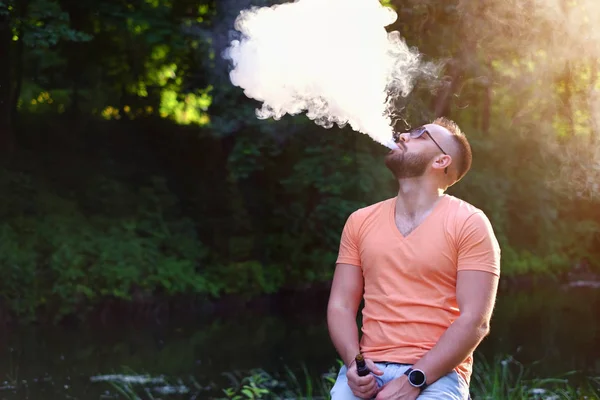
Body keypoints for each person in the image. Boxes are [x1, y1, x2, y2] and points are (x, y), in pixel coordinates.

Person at [327, 117, 501, 400]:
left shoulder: (470, 223)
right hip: (367, 371)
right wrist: (353, 364)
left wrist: (414, 380)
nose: (405, 135)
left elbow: (476, 321)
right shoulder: (359, 221)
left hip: (437, 375)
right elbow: (340, 305)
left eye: (421, 135)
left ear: (441, 161)